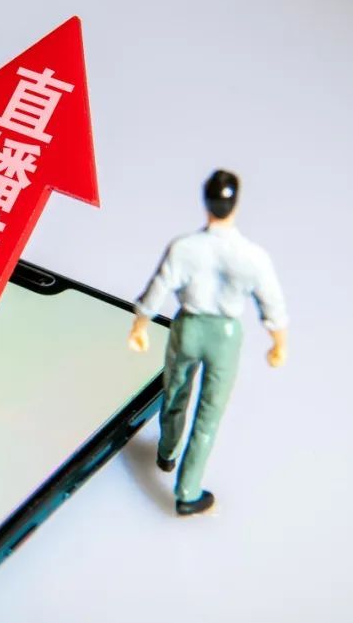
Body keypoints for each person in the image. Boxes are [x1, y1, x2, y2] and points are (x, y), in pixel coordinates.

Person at [128, 170, 287, 516]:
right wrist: (279, 342)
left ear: (206, 203)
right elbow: (272, 304)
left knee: (175, 392)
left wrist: (140, 325)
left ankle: (167, 452)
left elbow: (157, 288)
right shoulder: (253, 256)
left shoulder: (185, 248)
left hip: (188, 326)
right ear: (236, 204)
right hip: (224, 335)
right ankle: (188, 492)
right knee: (208, 415)